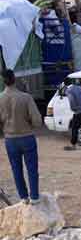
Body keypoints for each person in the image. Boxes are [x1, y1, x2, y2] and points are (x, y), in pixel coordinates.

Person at [0, 69, 43, 204]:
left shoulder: (1, 98)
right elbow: (37, 121)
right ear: (15, 79)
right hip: (27, 137)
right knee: (32, 169)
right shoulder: (26, 97)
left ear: (3, 81)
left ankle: (23, 197)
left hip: (10, 139)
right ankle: (34, 197)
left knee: (16, 169)